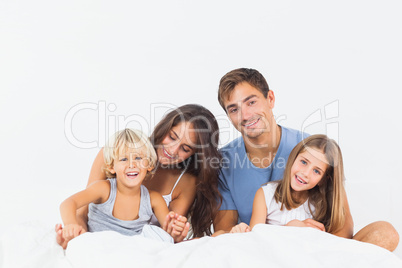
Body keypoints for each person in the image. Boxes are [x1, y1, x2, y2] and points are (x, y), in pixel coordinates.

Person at [213, 68, 399, 251]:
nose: (245, 115)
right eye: (234, 109)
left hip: (315, 251)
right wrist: (289, 231)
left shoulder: (311, 150)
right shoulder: (223, 163)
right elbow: (225, 231)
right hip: (262, 252)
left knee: (384, 233)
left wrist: (317, 250)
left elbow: (342, 224)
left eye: (251, 102)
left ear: (270, 99)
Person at [56, 104, 222, 247]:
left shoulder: (184, 183)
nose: (172, 150)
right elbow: (81, 212)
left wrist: (177, 233)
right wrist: (77, 237)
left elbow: (168, 234)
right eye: (172, 136)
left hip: (141, 251)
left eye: (185, 149)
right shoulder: (117, 151)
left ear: (194, 154)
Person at [59, 129, 188, 248]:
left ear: (149, 164)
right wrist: (71, 225)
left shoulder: (154, 199)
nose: (132, 164)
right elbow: (68, 203)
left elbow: (168, 230)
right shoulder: (103, 189)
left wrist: (176, 228)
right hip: (100, 247)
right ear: (111, 167)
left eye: (138, 158)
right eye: (124, 159)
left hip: (131, 252)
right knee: (78, 243)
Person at [230, 135, 348, 236]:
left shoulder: (322, 205)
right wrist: (290, 228)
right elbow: (255, 239)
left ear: (323, 180)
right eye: (303, 162)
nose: (305, 173)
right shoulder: (265, 195)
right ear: (293, 159)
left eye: (316, 171)